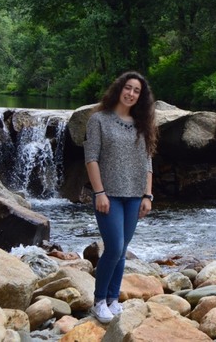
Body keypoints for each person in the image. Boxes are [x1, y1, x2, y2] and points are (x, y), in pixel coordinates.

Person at [84, 71, 157, 323]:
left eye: (137, 91)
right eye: (128, 88)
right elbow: (91, 158)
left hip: (135, 195)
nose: (131, 94)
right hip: (109, 195)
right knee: (113, 247)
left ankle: (113, 298)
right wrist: (99, 193)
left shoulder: (142, 124)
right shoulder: (99, 120)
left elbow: (147, 161)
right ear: (119, 89)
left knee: (122, 249)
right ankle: (98, 301)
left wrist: (148, 195)